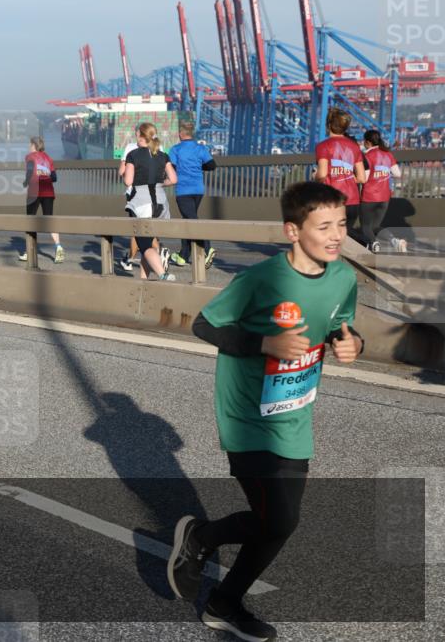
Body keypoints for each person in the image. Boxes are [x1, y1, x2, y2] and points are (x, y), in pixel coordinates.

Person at [168, 181, 363, 641]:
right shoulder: (260, 280)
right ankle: (201, 540)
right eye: (324, 227)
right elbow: (203, 324)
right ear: (293, 231)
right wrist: (263, 343)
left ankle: (222, 602)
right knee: (278, 519)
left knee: (278, 525)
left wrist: (352, 344)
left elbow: (340, 328)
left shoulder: (343, 278)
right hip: (247, 417)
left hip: (294, 416)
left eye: (342, 224)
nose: (336, 236)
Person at [122, 122, 177, 281]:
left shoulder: (133, 155)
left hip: (141, 203)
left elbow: (128, 181)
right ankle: (143, 280)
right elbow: (173, 179)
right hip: (160, 203)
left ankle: (162, 274)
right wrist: (161, 183)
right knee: (149, 242)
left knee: (144, 245)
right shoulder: (162, 155)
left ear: (140, 135)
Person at [168, 121, 217, 268]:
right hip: (198, 189)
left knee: (192, 220)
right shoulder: (200, 148)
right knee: (187, 220)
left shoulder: (175, 149)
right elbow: (212, 165)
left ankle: (208, 248)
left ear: (180, 134)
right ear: (191, 134)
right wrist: (197, 166)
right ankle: (183, 255)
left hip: (183, 190)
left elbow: (173, 167)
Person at [314, 108, 365, 241]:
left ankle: (367, 243)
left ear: (329, 125)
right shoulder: (354, 147)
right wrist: (346, 176)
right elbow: (361, 177)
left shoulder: (323, 146)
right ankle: (367, 243)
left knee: (326, 235)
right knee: (344, 236)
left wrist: (315, 177)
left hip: (332, 200)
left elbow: (322, 174)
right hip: (353, 200)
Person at [18, 136, 63, 263]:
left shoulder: (29, 156)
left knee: (30, 220)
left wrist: (26, 182)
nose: (29, 146)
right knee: (49, 220)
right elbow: (54, 177)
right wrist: (45, 175)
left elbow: (30, 171)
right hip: (48, 191)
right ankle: (58, 247)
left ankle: (29, 252)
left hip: (34, 191)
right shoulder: (48, 158)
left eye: (30, 144)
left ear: (33, 145)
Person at [360, 129, 402, 253]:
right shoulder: (388, 155)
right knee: (375, 226)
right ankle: (395, 241)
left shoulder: (367, 156)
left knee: (365, 226)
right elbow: (397, 173)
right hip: (384, 197)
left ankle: (374, 244)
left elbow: (364, 179)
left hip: (369, 197)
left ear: (367, 142)